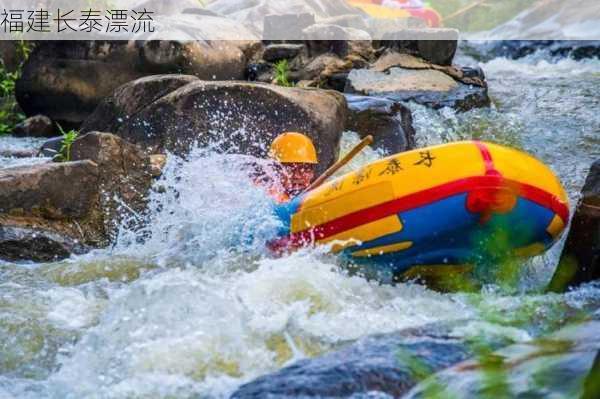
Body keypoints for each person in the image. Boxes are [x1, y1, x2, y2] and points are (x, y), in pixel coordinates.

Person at [261, 132, 319, 203]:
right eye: (289, 169)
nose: (297, 176)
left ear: (312, 173)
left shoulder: (319, 192)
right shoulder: (263, 196)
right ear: (274, 172)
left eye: (305, 169)